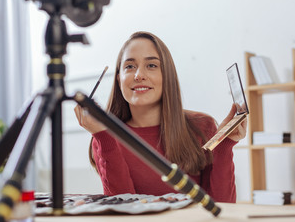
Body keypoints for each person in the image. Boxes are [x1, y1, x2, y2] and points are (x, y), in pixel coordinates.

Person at [74, 31, 247, 203]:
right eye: (130, 66)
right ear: (119, 79)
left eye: (151, 65)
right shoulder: (105, 137)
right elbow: (125, 209)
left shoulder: (202, 127)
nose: (138, 75)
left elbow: (222, 206)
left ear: (167, 75)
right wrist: (103, 137)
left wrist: (224, 145)